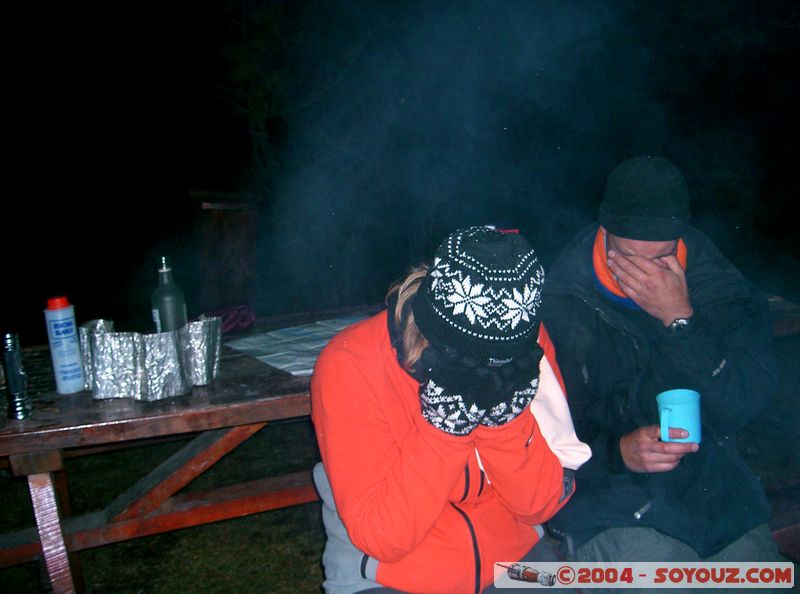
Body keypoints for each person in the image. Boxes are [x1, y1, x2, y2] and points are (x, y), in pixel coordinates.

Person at [311, 226, 591, 593]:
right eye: (475, 358)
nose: (490, 371)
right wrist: (445, 426)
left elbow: (540, 506)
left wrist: (503, 422)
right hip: (390, 573)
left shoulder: (525, 346)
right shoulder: (351, 362)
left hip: (514, 558)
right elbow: (383, 539)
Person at [542, 156, 783, 571]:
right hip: (610, 502)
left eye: (661, 258)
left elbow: (743, 405)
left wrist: (681, 321)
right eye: (628, 257)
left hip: (715, 495)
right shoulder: (562, 300)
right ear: (604, 233)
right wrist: (618, 451)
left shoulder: (720, 287)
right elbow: (546, 433)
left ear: (679, 240)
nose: (644, 275)